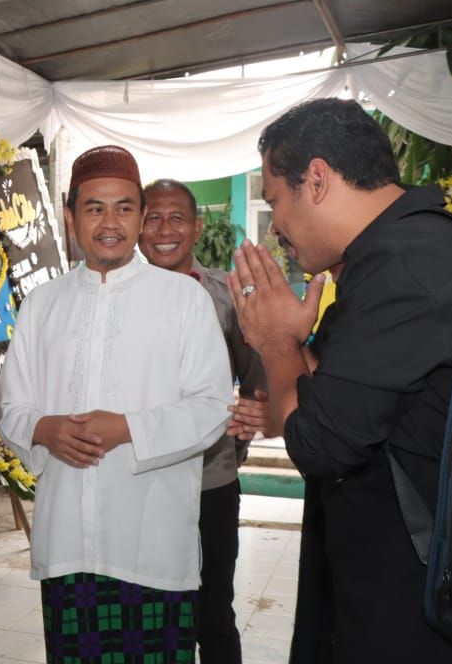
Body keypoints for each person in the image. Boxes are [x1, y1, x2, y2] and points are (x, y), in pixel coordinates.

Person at [228, 98, 452, 663]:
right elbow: (334, 399)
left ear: (317, 180)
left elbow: (318, 442)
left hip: (418, 610)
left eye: (275, 200)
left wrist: (277, 345)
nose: (276, 227)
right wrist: (291, 343)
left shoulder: (408, 263)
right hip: (390, 585)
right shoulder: (390, 256)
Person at [0, 145, 231, 663]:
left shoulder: (184, 300)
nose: (110, 223)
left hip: (154, 547)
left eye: (124, 208)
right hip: (67, 545)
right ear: (70, 217)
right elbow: (11, 406)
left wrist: (127, 427)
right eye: (95, 208)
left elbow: (213, 407)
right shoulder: (41, 304)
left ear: (141, 217)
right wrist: (43, 430)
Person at [139, 179, 267, 664]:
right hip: (140, 483)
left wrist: (237, 441)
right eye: (152, 217)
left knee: (213, 612)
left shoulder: (226, 297)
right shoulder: (115, 298)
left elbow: (255, 381)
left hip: (208, 482)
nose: (164, 230)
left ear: (197, 227)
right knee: (150, 614)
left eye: (177, 218)